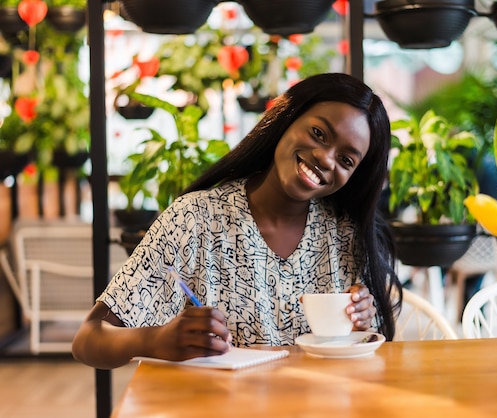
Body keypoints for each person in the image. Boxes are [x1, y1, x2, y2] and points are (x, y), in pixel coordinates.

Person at [72, 73, 404, 369]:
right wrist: (154, 340)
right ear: (286, 119)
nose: (325, 158)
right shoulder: (194, 219)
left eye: (346, 159)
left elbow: (370, 360)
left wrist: (361, 327)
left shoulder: (344, 236)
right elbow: (88, 340)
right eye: (318, 133)